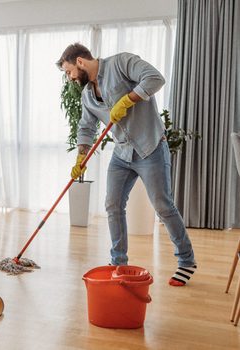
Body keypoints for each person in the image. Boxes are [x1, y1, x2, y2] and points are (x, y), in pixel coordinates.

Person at [56, 43, 197, 287]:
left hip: (150, 146)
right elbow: (87, 128)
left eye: (69, 72)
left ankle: (186, 260)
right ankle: (118, 262)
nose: (69, 78)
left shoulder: (120, 63)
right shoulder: (88, 94)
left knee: (163, 206)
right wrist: (81, 156)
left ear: (80, 62)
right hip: (122, 153)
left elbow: (155, 78)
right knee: (112, 204)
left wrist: (128, 100)